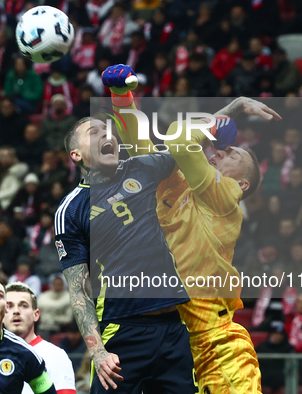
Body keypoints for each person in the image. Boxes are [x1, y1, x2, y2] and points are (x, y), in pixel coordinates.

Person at [104, 64, 278, 394]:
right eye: (223, 148)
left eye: (233, 154)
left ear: (242, 182)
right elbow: (141, 144)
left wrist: (215, 123)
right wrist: (120, 96)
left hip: (213, 340)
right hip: (165, 337)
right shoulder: (176, 182)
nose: (221, 151)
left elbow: (184, 140)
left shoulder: (227, 196)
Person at [56, 77, 197, 393]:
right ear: (76, 155)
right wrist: (98, 351)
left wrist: (234, 109)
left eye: (108, 131)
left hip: (174, 328)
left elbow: (185, 144)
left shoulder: (140, 168)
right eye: (94, 132)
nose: (106, 134)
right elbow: (79, 291)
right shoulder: (71, 209)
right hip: (122, 331)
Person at [4, 282, 76, 394]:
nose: (16, 311)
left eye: (23, 305)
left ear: (36, 314)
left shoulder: (56, 355)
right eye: (9, 306)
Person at [255, 321, 295, 393]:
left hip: (281, 378)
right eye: (274, 333)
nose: (277, 336)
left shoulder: (288, 348)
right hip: (264, 377)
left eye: (279, 334)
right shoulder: (262, 347)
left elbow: (291, 368)